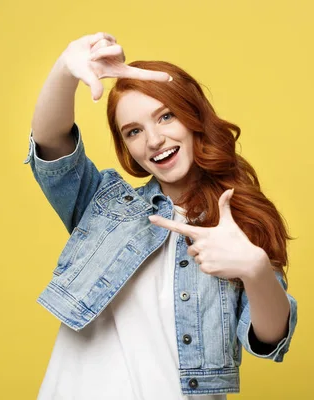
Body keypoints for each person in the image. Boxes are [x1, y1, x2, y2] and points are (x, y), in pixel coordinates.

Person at [24, 32, 298, 399]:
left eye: (165, 116)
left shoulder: (236, 227)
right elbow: (51, 146)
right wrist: (65, 69)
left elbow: (270, 337)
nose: (153, 140)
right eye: (134, 131)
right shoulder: (103, 205)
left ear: (193, 117)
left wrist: (255, 267)